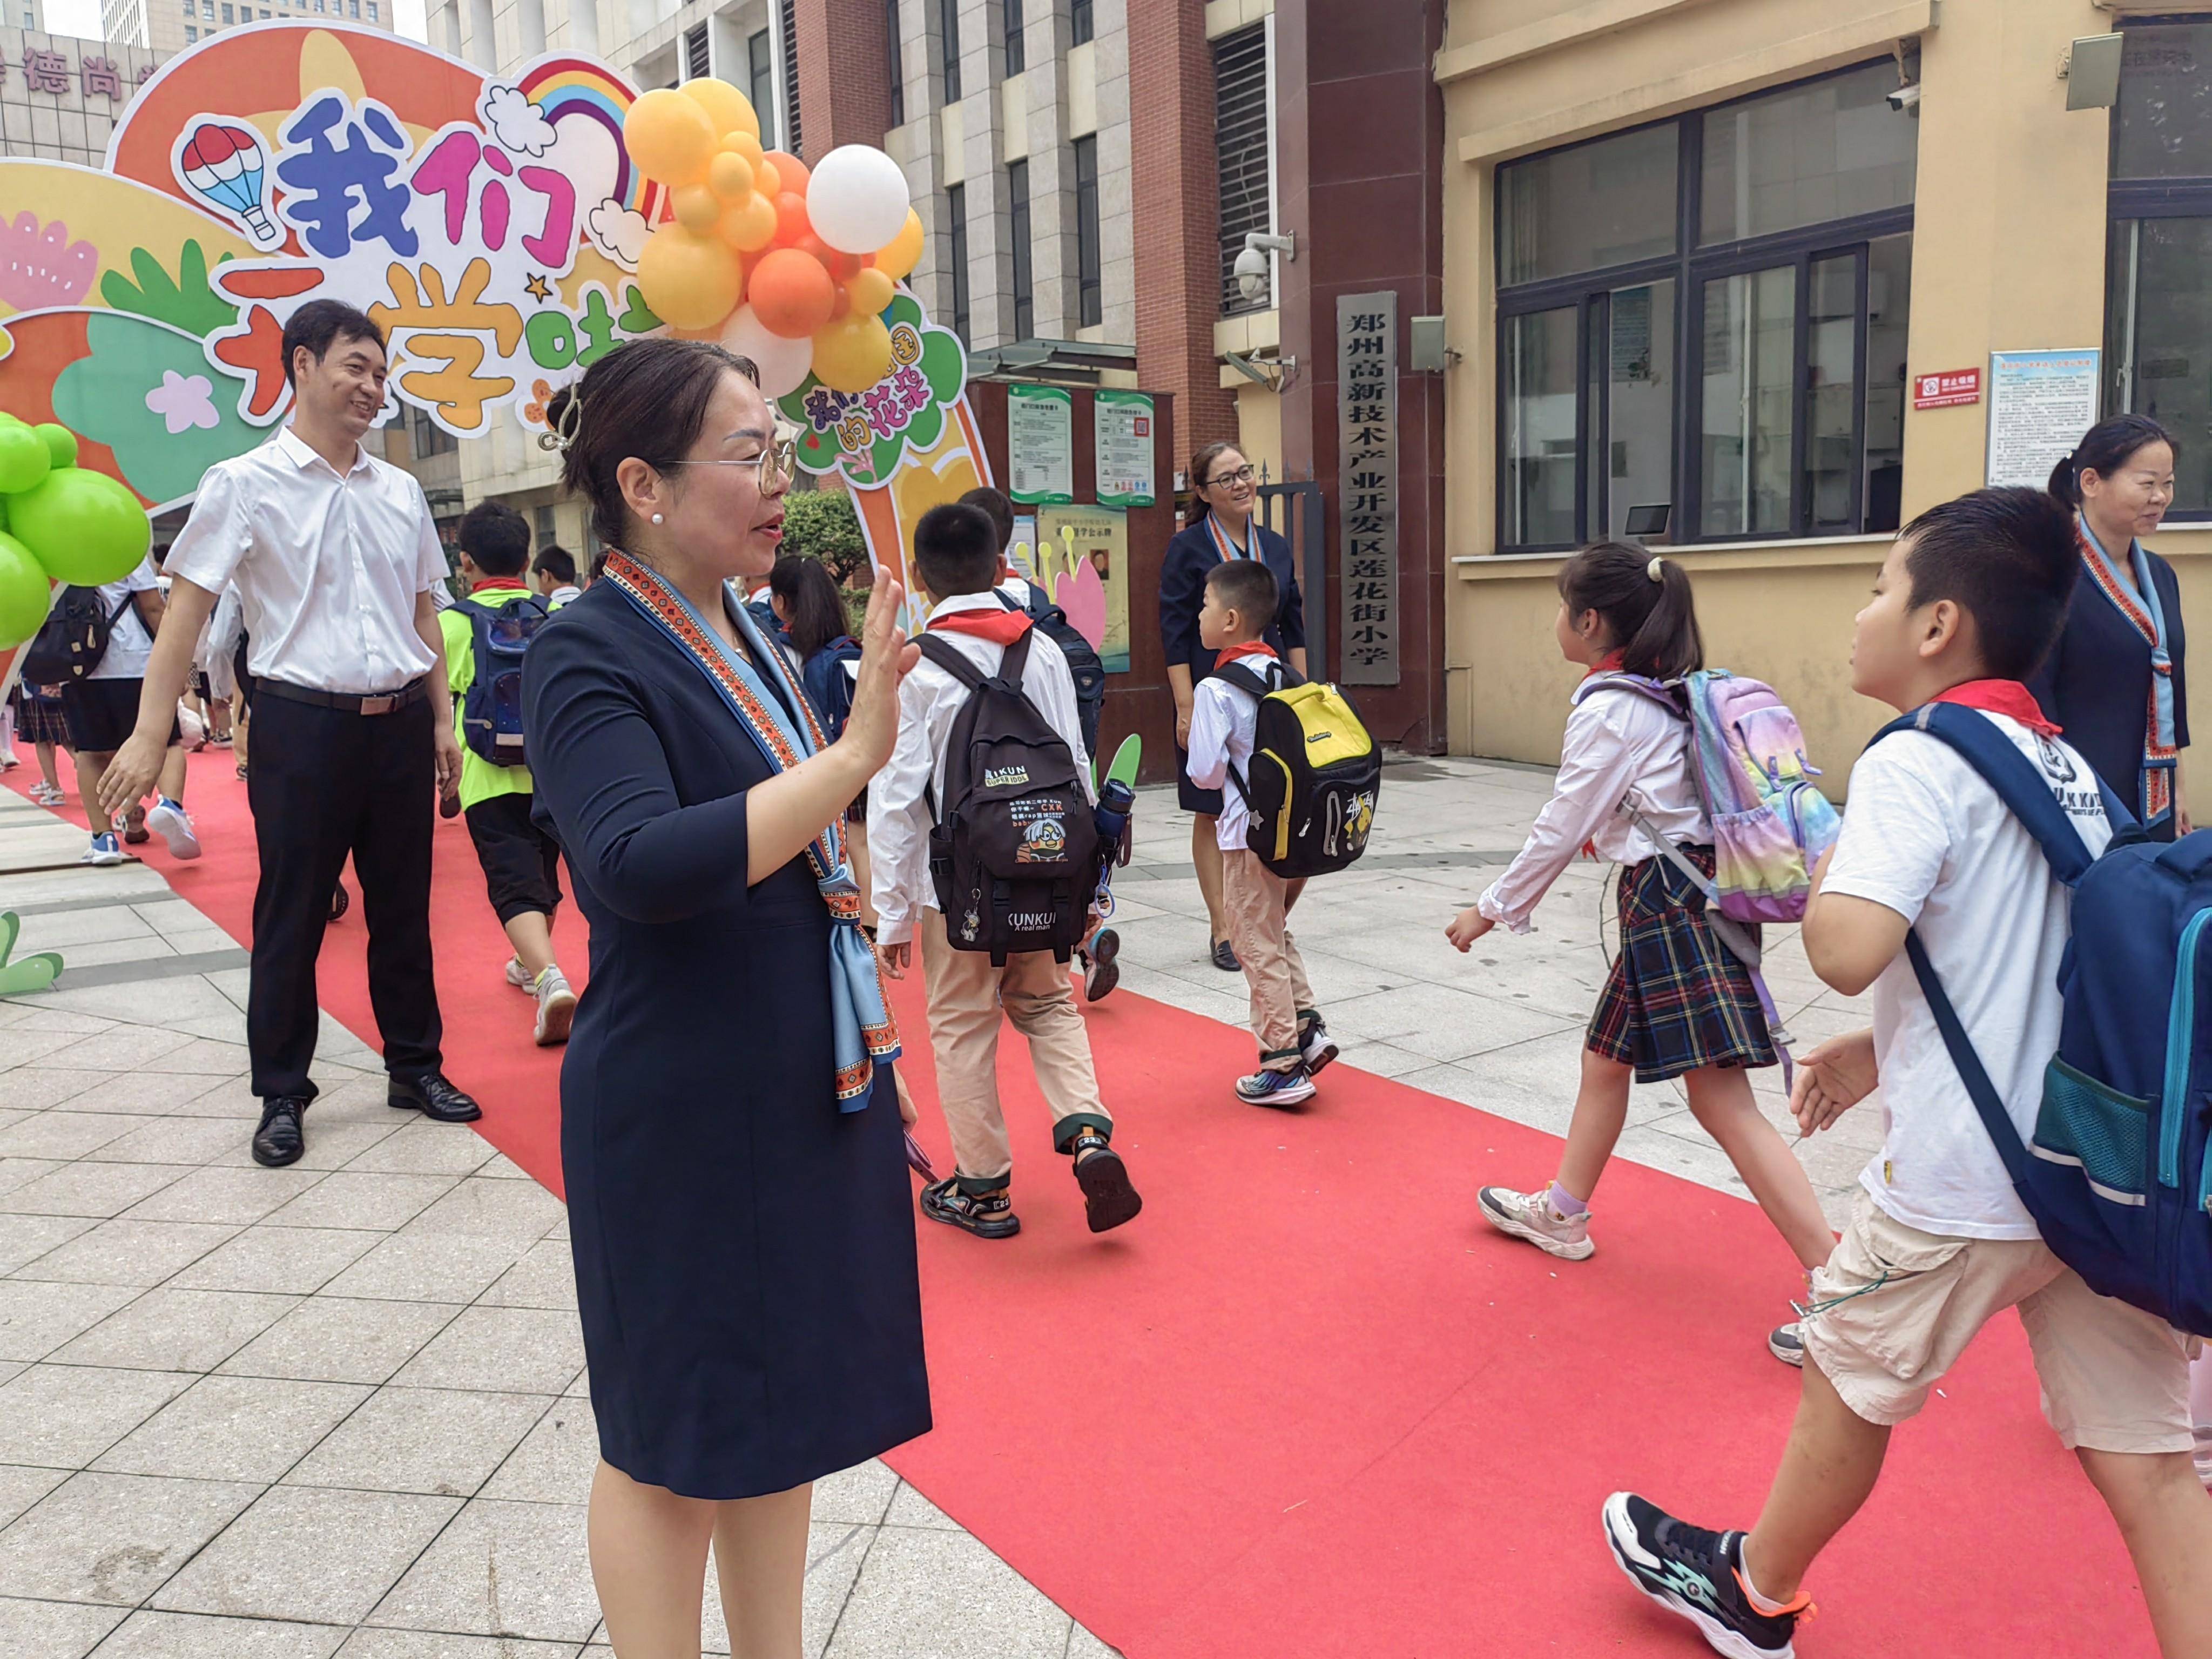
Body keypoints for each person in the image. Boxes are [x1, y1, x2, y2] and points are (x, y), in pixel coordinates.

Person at [1604, 488, 2212, 1658]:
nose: (1861, 608)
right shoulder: (2063, 762)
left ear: (1936, 626)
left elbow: (1841, 950)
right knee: (2143, 1457)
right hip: (2082, 1170)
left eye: (1881, 586)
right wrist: (1878, 1049)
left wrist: (1806, 843)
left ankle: (1752, 1589)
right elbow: (2028, 964)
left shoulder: (1915, 760)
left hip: (1960, 1182)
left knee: (1846, 1363)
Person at [522, 337, 928, 1655]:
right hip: (685, 1104)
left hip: (796, 1071)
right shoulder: (584, 649)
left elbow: (796, 851)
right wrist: (861, 748)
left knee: (782, 1417)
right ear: (642, 482)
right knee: (674, 1446)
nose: (779, 480)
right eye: (749, 453)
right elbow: (637, 865)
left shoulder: (743, 620)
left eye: (782, 450)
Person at [99, 299, 481, 1170]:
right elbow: (187, 611)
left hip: (396, 727)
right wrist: (149, 729)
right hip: (302, 726)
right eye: (356, 366)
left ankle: (414, 1067)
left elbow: (423, 612)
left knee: (403, 912)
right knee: (292, 913)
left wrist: (443, 718)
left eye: (382, 374)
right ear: (302, 365)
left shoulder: (403, 490)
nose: (372, 388)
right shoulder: (244, 482)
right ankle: (281, 1091)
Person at [1445, 542, 1831, 1365]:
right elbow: (1643, 804)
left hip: (1673, 908)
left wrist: (1490, 910)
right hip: (1678, 899)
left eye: (1560, 606)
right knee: (1604, 1061)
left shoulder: (1607, 706)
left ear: (1589, 622)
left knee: (1722, 1104)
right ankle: (1565, 1213)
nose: (1555, 620)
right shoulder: (1654, 694)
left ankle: (1842, 1287)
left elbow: (1561, 820)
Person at [869, 501, 1143, 1240]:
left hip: (952, 886)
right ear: (1000, 568)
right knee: (1050, 1007)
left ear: (923, 580)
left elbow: (896, 796)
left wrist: (891, 914)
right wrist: (1091, 885)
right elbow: (1079, 769)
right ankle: (1087, 1133)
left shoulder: (917, 664)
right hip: (1047, 864)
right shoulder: (1046, 650)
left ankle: (983, 1191)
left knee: (961, 1027)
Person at [1183, 558, 1338, 1105]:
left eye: (1203, 605)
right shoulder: (1286, 676)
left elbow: (1204, 771)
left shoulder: (1216, 689)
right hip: (1290, 835)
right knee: (1272, 930)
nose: (1197, 614)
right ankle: (1308, 1028)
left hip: (1243, 834)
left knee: (1252, 940)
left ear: (1228, 619)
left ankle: (1282, 1064)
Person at [1160, 441, 1306, 973]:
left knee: (1273, 798)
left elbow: (1294, 623)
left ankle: (1265, 912)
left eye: (1245, 472)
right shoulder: (1189, 549)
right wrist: (1183, 705)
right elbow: (1174, 630)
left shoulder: (1276, 546)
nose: (1241, 483)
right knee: (1211, 804)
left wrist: (1302, 696)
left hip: (1269, 693)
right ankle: (1223, 926)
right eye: (1226, 478)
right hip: (1210, 690)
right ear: (1202, 492)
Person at [442, 501, 576, 1046]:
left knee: (511, 883)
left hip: (486, 776)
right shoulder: (558, 620)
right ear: (526, 560)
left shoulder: (450, 624)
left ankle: (548, 978)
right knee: (543, 880)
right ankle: (528, 964)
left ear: (465, 561)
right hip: (551, 775)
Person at [2032, 414, 2188, 841]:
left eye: (2169, 484)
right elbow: (2035, 697)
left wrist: (2178, 788)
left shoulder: (2160, 575)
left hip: (2153, 790)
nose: (2160, 497)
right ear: (2090, 482)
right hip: (2079, 792)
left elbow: (2171, 685)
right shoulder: (2051, 571)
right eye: (2146, 483)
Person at [60, 551, 199, 867]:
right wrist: (176, 664)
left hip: (79, 663)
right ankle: (171, 805)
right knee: (167, 740)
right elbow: (152, 606)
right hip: (135, 660)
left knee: (91, 753)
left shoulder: (54, 548)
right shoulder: (122, 543)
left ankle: (103, 839)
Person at [9, 679, 72, 807]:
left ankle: (55, 790)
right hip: (59, 684)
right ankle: (50, 782)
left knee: (43, 740)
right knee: (67, 739)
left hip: (36, 685)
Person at [531, 543, 583, 608]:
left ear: (545, 575)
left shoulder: (544, 612)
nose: (539, 587)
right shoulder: (592, 604)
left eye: (538, 579)